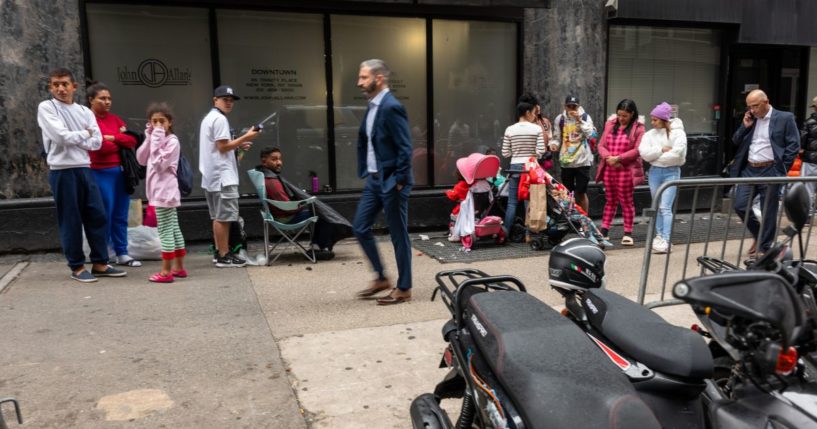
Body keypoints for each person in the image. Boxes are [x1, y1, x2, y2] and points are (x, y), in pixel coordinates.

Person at [37, 68, 127, 282]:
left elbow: (96, 142)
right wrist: (85, 133)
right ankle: (77, 267)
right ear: (50, 87)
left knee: (97, 215)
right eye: (56, 84)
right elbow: (60, 137)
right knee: (71, 219)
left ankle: (100, 263)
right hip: (62, 170)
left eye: (65, 84)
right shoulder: (47, 107)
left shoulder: (85, 112)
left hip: (85, 168)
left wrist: (79, 136)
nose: (60, 88)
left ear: (74, 87)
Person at [352, 59, 414, 306]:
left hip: (391, 182)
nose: (359, 82)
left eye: (364, 77)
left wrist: (400, 180)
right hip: (374, 180)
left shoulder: (391, 107)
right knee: (359, 226)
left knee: (399, 235)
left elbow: (405, 147)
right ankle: (381, 278)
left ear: (379, 78)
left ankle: (405, 287)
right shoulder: (373, 106)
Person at [730, 89, 800, 256]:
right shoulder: (751, 120)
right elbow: (735, 140)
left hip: (771, 170)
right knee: (740, 205)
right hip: (750, 169)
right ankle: (760, 235)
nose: (752, 110)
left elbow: (794, 144)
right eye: (749, 107)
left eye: (755, 106)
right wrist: (744, 126)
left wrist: (781, 169)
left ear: (766, 102)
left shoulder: (785, 118)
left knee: (768, 210)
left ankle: (764, 247)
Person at [199, 85, 259, 268]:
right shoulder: (219, 119)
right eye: (225, 99)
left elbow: (222, 148)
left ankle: (220, 253)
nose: (229, 102)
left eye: (231, 100)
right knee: (223, 217)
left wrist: (239, 146)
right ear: (215, 100)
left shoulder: (209, 118)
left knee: (218, 216)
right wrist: (247, 136)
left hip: (212, 176)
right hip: (222, 177)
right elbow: (223, 147)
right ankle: (224, 255)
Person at [86, 82, 142, 267]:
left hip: (120, 172)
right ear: (91, 100)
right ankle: (105, 253)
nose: (107, 101)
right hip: (99, 172)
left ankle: (122, 252)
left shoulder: (115, 119)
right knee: (104, 214)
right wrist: (118, 140)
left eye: (109, 98)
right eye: (102, 98)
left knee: (120, 213)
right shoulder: (88, 120)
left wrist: (112, 138)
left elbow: (132, 139)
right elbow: (99, 147)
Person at [254, 147, 343, 260]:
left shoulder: (264, 176)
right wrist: (305, 204)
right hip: (286, 217)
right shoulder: (272, 182)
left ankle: (317, 245)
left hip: (277, 215)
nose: (279, 162)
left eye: (280, 159)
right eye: (274, 159)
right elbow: (287, 207)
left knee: (320, 210)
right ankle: (318, 247)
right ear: (264, 162)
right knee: (324, 214)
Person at [136, 103, 186, 282]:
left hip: (165, 194)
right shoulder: (155, 137)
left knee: (165, 231)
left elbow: (158, 165)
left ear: (169, 122)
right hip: (159, 193)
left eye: (161, 121)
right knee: (173, 229)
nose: (158, 125)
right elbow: (141, 159)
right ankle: (179, 268)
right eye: (154, 122)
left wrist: (156, 136)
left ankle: (166, 272)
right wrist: (149, 137)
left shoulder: (172, 141)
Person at [595, 99, 646, 246]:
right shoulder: (610, 124)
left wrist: (619, 158)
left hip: (626, 170)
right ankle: (604, 230)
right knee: (610, 200)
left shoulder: (639, 128)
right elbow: (601, 145)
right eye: (619, 115)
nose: (621, 118)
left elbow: (637, 150)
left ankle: (628, 232)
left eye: (624, 116)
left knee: (626, 201)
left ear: (632, 114)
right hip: (609, 169)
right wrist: (608, 158)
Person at [638, 102, 687, 254]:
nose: (652, 123)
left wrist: (656, 156)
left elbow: (678, 154)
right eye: (651, 119)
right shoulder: (649, 135)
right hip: (655, 173)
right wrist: (661, 150)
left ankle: (666, 238)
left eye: (655, 120)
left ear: (664, 119)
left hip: (672, 172)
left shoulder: (678, 133)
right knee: (657, 205)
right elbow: (644, 154)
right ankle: (659, 236)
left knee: (665, 207)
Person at [500, 101, 546, 241]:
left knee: (512, 202)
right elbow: (541, 151)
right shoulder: (536, 129)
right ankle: (529, 234)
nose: (534, 116)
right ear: (527, 113)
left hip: (514, 167)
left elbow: (505, 153)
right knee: (531, 201)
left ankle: (505, 233)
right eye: (533, 113)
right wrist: (532, 154)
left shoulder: (509, 129)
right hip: (531, 168)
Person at [549, 95, 597, 213]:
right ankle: (571, 218)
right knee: (567, 193)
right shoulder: (560, 119)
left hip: (583, 160)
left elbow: (591, 134)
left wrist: (579, 120)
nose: (571, 109)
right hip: (567, 162)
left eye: (574, 106)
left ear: (578, 107)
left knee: (580, 193)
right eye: (569, 106)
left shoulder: (585, 117)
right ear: (565, 107)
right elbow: (556, 137)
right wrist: (554, 144)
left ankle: (584, 220)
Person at [800, 96, 817, 209]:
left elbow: (802, 141)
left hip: (811, 159)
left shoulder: (808, 122)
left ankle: (808, 212)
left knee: (808, 187)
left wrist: (801, 151)